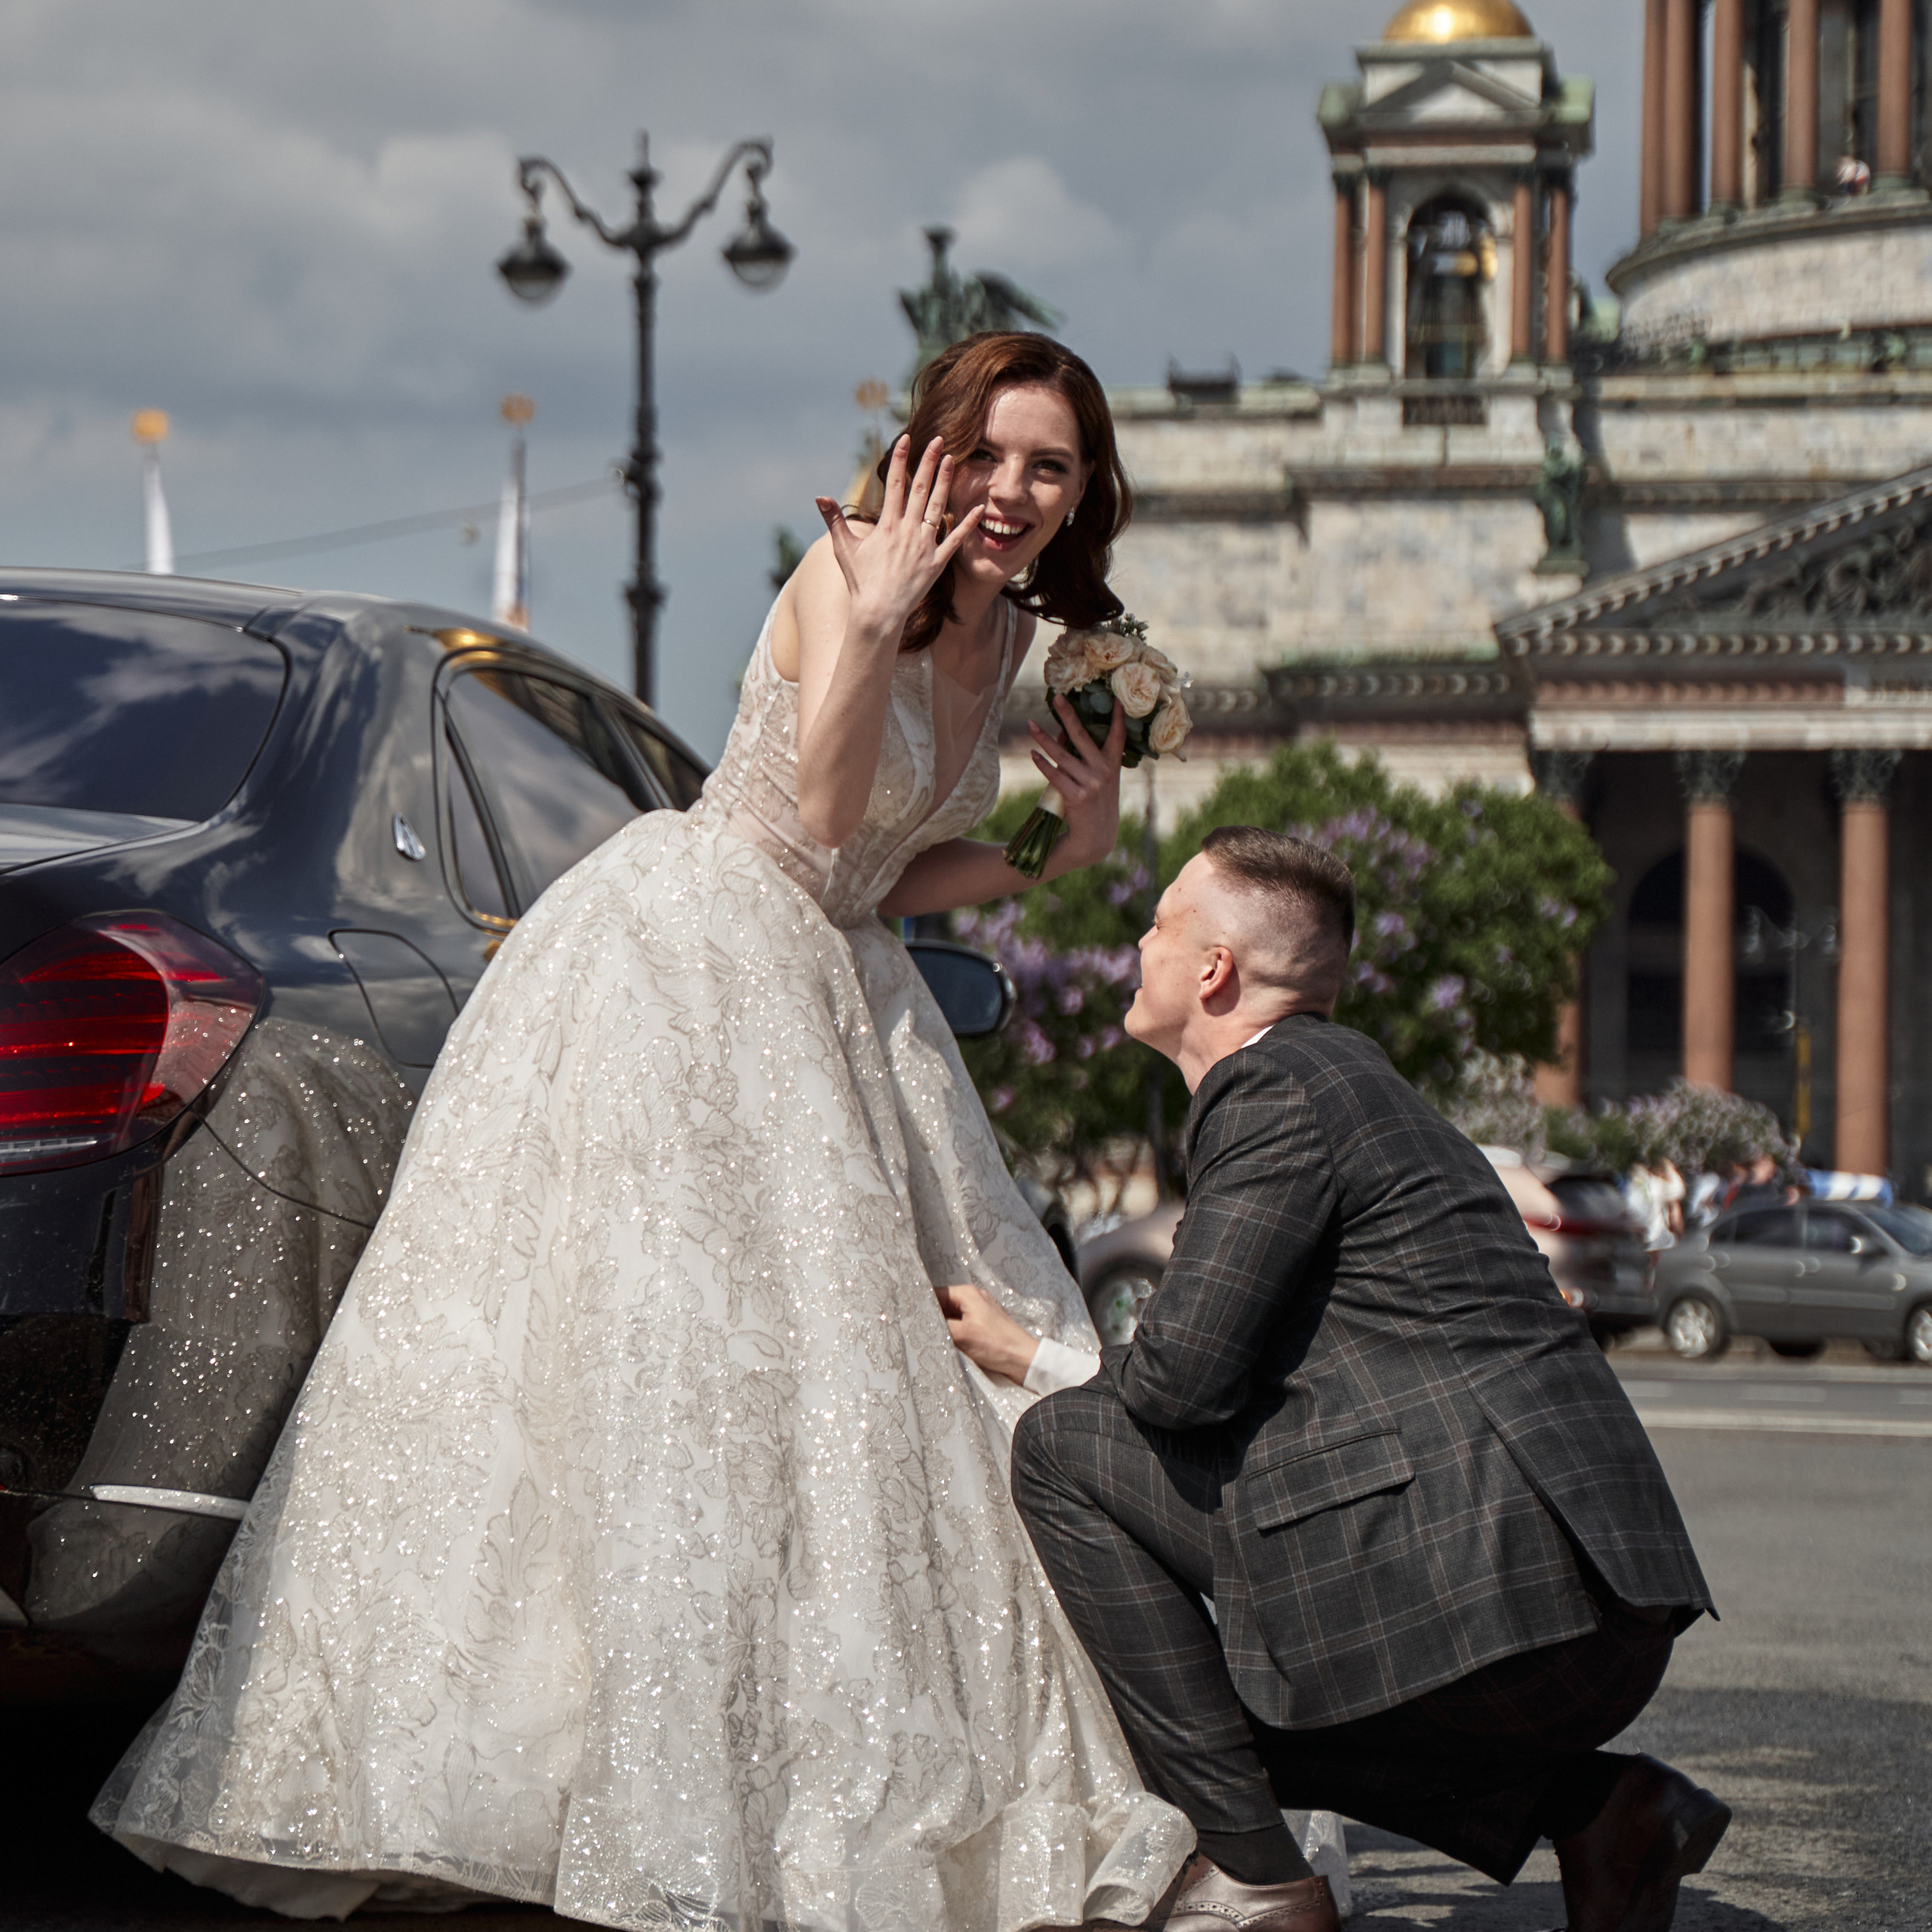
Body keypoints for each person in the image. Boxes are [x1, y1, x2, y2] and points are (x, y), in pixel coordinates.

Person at [92, 334, 1198, 1932]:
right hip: (690, 957)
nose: (1011, 491)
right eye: (987, 454)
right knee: (666, 1363)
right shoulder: (848, 574)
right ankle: (574, 1774)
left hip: (837, 981)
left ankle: (795, 1765)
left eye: (1050, 467)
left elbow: (886, 873)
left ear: (1084, 493)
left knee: (855, 1393)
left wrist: (1061, 835)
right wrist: (873, 617)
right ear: (931, 451)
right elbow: (819, 814)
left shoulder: (1022, 641)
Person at [959, 829, 1729, 1932]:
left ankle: (1261, 1887)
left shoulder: (1270, 1089)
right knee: (1187, 1702)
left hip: (1505, 1595)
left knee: (1064, 1457)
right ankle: (1601, 1812)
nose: (1139, 944)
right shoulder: (1351, 1078)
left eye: (1160, 923)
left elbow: (1178, 1384)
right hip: (1589, 1599)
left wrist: (1033, 1359)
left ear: (1214, 970)